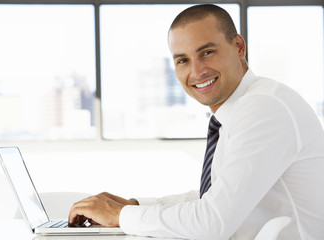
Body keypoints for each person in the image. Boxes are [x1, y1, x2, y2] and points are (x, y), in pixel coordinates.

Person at [68, 4, 324, 239]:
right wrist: (132, 207)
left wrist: (119, 216)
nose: (196, 71)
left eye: (207, 52)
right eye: (183, 60)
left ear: (239, 47)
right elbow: (213, 199)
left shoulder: (263, 108)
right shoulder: (240, 109)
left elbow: (211, 222)